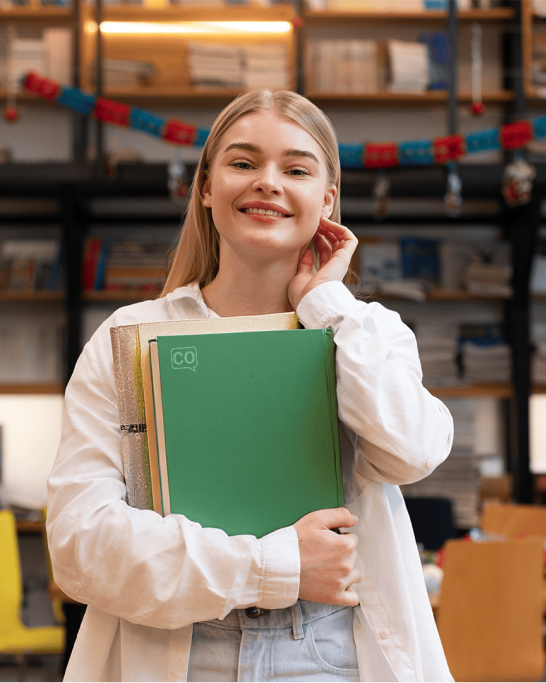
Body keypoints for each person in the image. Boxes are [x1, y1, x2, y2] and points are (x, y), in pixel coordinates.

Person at [47, 89, 455, 683]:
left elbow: (413, 450)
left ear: (327, 200)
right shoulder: (132, 336)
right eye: (242, 163)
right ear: (207, 187)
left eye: (296, 169)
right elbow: (80, 546)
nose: (268, 182)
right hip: (178, 649)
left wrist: (324, 304)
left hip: (327, 651)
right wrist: (275, 564)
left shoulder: (365, 332)